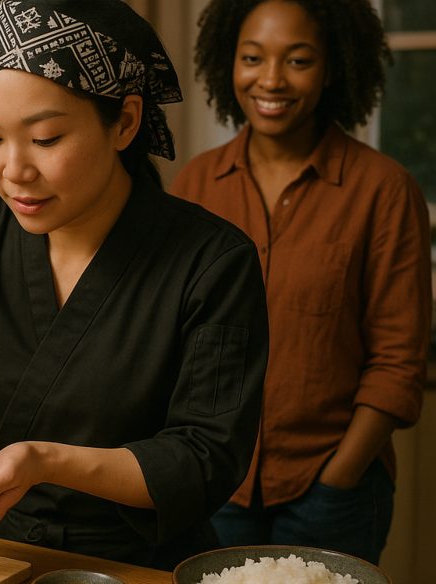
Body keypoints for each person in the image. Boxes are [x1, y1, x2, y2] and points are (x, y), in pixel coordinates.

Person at [0, 0, 269, 570]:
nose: (13, 170)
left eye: (45, 139)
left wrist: (45, 462)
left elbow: (204, 458)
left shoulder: (213, 261)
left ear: (125, 122)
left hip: (141, 565)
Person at [170, 0, 431, 564]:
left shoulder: (384, 191)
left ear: (332, 66)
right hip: (215, 485)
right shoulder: (195, 185)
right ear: (227, 62)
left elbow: (398, 363)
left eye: (298, 60)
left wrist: (339, 476)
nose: (271, 80)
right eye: (252, 58)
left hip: (333, 493)